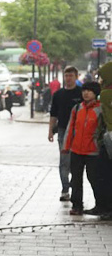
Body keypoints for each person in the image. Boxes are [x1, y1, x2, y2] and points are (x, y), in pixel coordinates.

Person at [61, 81, 104, 216]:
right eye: (84, 90)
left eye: (89, 91)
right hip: (76, 150)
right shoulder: (77, 108)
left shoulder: (101, 109)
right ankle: (77, 205)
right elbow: (70, 128)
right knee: (76, 179)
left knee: (95, 179)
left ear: (95, 93)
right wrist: (66, 146)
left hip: (93, 152)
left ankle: (101, 205)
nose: (86, 93)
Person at [48, 66, 83, 202]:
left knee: (76, 162)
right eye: (66, 76)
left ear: (76, 77)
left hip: (78, 131)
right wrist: (50, 130)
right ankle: (65, 189)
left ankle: (75, 188)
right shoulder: (58, 94)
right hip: (62, 130)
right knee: (64, 161)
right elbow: (53, 114)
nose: (68, 78)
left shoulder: (81, 93)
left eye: (71, 76)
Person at [95, 61, 112, 219]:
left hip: (108, 139)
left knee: (105, 174)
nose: (100, 80)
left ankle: (107, 208)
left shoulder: (106, 94)